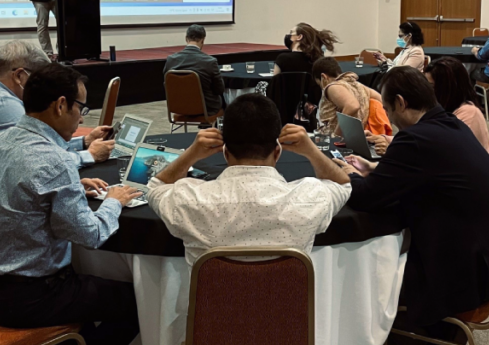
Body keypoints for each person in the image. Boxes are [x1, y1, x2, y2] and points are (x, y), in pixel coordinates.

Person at [334, 66, 489, 345]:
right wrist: (377, 168)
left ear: (401, 103)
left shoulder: (416, 138)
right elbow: (422, 174)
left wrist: (328, 166)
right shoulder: (450, 125)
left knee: (368, 274)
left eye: (388, 110)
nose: (388, 118)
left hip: (466, 273)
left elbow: (366, 198)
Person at [0, 63, 142, 345]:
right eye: (81, 108)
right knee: (136, 302)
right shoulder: (54, 161)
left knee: (96, 289)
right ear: (60, 104)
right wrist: (113, 202)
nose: (82, 118)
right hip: (30, 297)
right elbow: (91, 235)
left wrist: (75, 187)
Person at [0, 41, 114, 253]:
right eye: (41, 81)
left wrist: (82, 143)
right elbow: (41, 160)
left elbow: (34, 151)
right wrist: (88, 156)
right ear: (20, 76)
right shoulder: (3, 106)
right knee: (63, 227)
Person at [146, 94, 352, 266]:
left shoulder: (189, 200)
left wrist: (191, 154)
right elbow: (343, 184)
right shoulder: (310, 197)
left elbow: (156, 187)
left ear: (225, 152)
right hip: (287, 314)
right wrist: (312, 151)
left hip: (212, 314)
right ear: (277, 151)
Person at [423, 57, 489, 153]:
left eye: (431, 87)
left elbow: (445, 152)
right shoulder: (442, 109)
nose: (427, 92)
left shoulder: (469, 114)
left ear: (448, 88)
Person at [163, 24, 225, 117]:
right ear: (203, 40)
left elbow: (166, 85)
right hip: (206, 109)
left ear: (186, 38)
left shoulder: (171, 59)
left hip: (178, 107)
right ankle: (213, 130)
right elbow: (219, 89)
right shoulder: (210, 61)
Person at [311, 57, 383, 136]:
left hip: (334, 140)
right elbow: (382, 99)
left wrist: (336, 135)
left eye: (320, 84)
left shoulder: (332, 87)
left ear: (324, 77)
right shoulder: (358, 85)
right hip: (356, 136)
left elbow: (352, 106)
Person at [274, 22, 339, 75]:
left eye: (291, 33)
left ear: (299, 37)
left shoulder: (283, 59)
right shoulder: (318, 60)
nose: (289, 35)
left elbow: (274, 85)